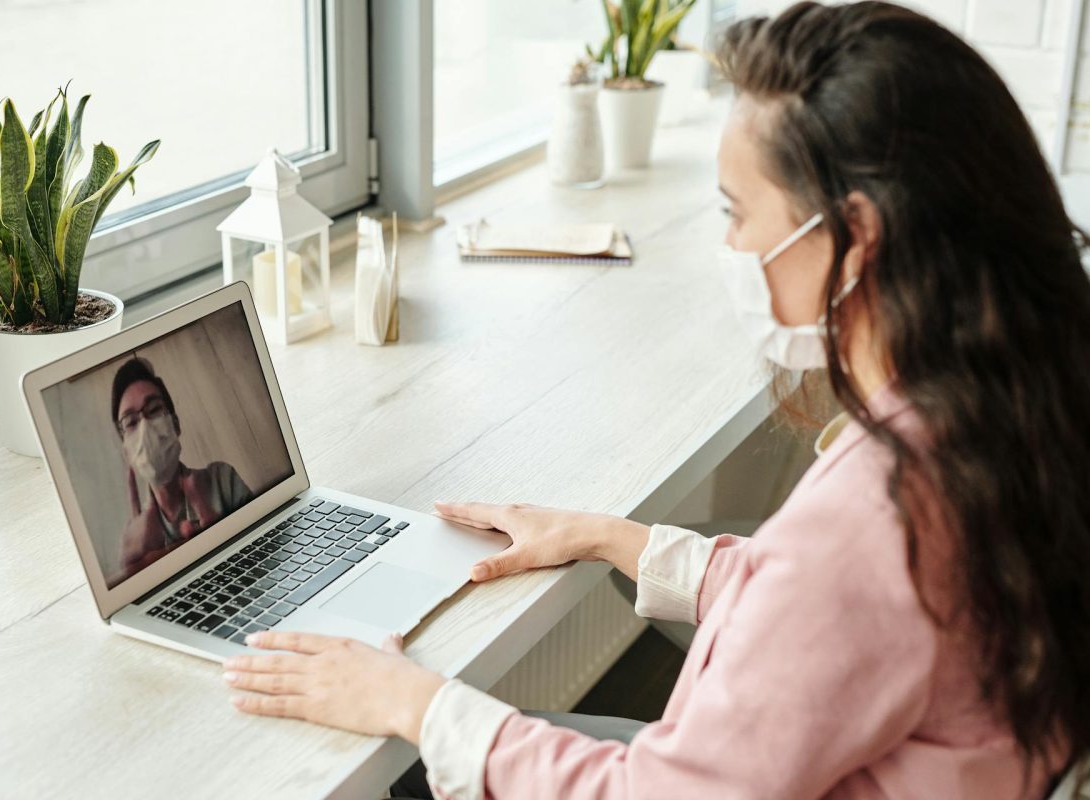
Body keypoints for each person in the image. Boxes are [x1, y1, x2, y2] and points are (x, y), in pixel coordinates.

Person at [217, 3, 1090, 798]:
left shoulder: (880, 515)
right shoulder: (1006, 410)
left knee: (400, 778)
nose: (731, 245)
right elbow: (835, 621)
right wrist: (614, 538)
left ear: (854, 239)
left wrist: (416, 704)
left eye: (737, 212)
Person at [112, 358, 253, 579]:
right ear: (126, 451)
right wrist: (130, 572)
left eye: (154, 409)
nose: (145, 427)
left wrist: (223, 541)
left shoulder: (222, 480)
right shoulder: (135, 539)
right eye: (131, 422)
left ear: (175, 425)